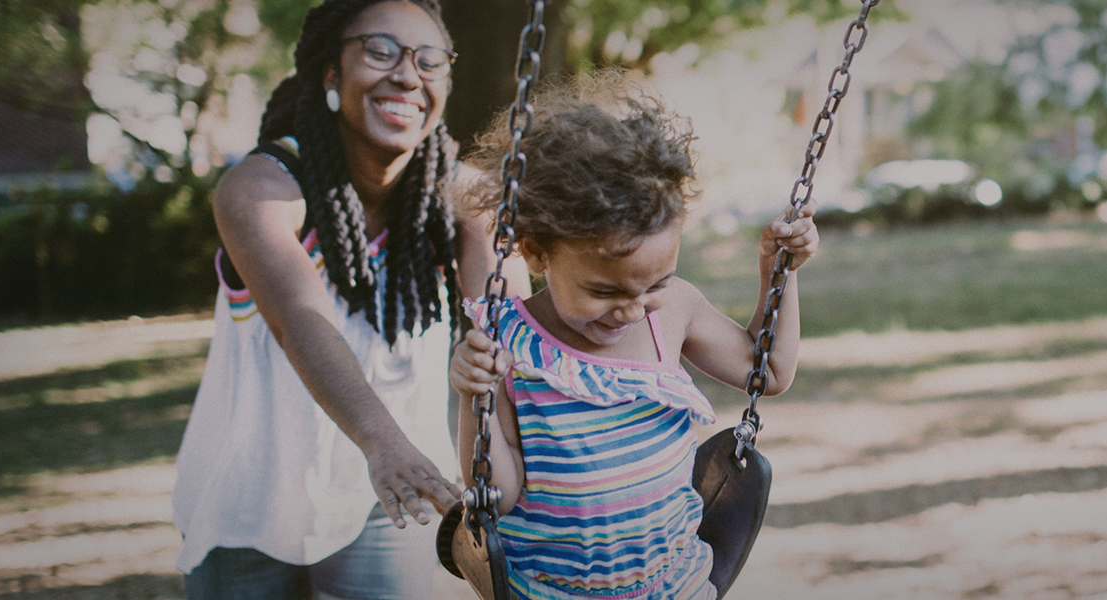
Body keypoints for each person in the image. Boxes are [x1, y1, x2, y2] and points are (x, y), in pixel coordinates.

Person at [171, 0, 528, 597]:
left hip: (398, 489)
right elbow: (301, 321)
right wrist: (379, 442)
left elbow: (509, 325)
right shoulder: (260, 190)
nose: (408, 75)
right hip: (250, 495)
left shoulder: (466, 202)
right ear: (330, 74)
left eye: (429, 59)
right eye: (380, 51)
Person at [449, 71, 820, 600]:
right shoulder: (507, 343)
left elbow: (771, 371)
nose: (631, 308)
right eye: (603, 290)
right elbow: (499, 495)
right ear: (534, 252)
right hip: (553, 593)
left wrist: (780, 272)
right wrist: (474, 398)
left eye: (656, 283)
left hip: (675, 585)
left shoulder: (673, 315)